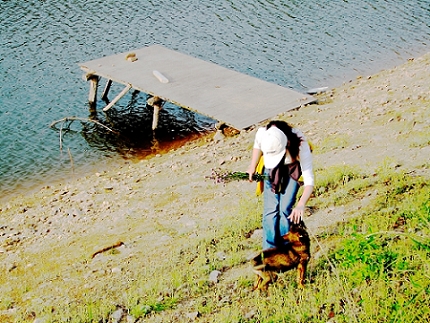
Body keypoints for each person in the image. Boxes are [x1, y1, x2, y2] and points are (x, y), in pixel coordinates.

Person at [247, 120, 314, 250]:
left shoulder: (300, 144)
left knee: (285, 209)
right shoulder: (264, 134)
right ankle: (270, 250)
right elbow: (257, 146)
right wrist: (252, 166)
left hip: (292, 170)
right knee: (270, 211)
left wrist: (301, 205)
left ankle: (286, 247)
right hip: (271, 170)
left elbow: (309, 181)